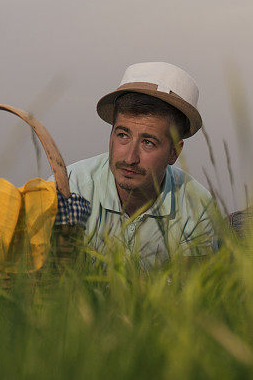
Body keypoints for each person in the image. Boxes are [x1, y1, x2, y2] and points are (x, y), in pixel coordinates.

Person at [57, 61, 218, 268]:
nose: (130, 158)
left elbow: (190, 293)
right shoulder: (68, 187)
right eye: (123, 135)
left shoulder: (197, 206)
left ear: (174, 152)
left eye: (148, 142)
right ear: (111, 133)